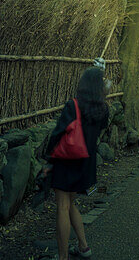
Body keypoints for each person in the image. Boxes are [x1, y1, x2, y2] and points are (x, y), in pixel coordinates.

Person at [43, 67, 110, 260]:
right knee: (71, 204)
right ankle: (83, 246)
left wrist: (49, 162)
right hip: (86, 164)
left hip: (67, 162)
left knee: (62, 206)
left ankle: (63, 256)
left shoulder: (73, 105)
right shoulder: (103, 109)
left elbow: (57, 135)